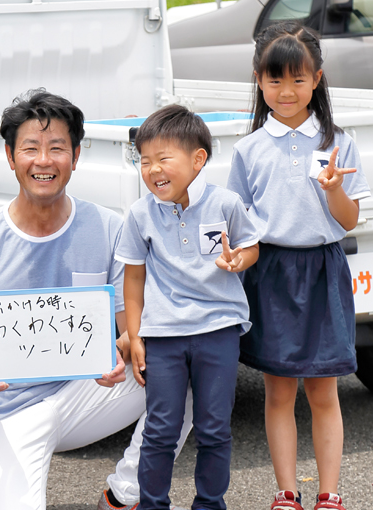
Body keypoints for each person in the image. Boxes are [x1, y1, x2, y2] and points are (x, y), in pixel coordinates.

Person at [0, 89, 192, 510]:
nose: (44, 161)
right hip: (3, 406)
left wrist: (124, 346)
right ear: (10, 156)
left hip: (86, 390)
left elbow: (127, 324)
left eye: (57, 148)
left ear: (75, 156)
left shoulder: (110, 229)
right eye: (31, 149)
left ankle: (124, 495)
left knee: (185, 366)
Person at [226, 22, 371, 510]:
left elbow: (348, 221)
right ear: (258, 80)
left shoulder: (337, 142)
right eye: (274, 80)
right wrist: (232, 258)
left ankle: (329, 494)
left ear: (317, 80)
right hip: (270, 274)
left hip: (324, 271)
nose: (286, 92)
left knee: (324, 391)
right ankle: (286, 493)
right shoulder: (248, 149)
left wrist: (333, 190)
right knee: (279, 391)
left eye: (297, 80)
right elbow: (242, 225)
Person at [115, 104, 260, 510]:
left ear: (198, 160)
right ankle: (152, 504)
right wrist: (137, 333)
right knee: (160, 429)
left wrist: (239, 260)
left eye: (163, 158)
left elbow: (251, 246)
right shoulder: (140, 214)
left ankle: (210, 504)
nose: (152, 170)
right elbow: (134, 277)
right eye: (144, 161)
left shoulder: (225, 203)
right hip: (162, 335)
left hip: (218, 330)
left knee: (215, 428)